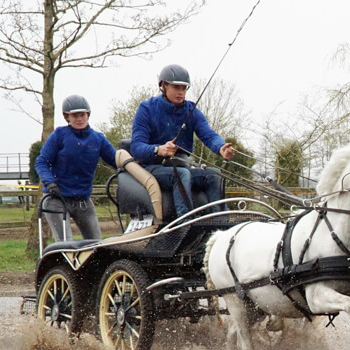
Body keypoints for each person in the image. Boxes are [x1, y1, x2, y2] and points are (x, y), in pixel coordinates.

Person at [130, 64, 235, 219]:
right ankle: (184, 223)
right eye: (176, 87)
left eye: (184, 88)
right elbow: (136, 147)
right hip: (152, 167)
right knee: (181, 174)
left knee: (214, 175)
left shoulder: (191, 110)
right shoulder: (147, 108)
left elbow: (208, 134)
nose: (181, 92)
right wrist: (158, 150)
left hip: (181, 166)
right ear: (163, 86)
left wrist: (221, 148)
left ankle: (221, 223)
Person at [35, 95, 117, 242]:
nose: (79, 119)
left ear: (88, 114)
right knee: (66, 244)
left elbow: (116, 160)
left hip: (83, 200)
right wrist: (49, 182)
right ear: (67, 117)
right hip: (57, 198)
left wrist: (134, 166)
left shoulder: (98, 139)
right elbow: (41, 162)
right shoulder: (59, 135)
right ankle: (63, 257)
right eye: (75, 115)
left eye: (82, 115)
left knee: (96, 243)